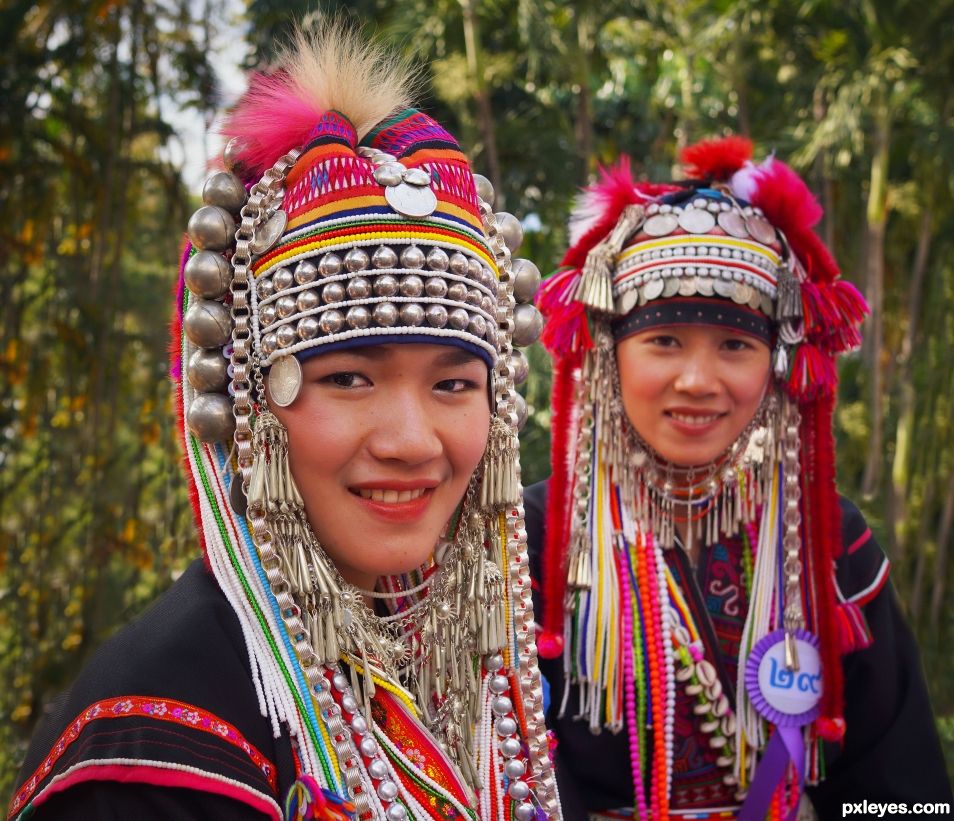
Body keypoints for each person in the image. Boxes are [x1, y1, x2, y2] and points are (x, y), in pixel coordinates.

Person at [8, 25, 561, 821]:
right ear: (249, 402)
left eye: (452, 383)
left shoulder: (475, 674)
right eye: (348, 377)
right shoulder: (155, 740)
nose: (410, 440)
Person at [527, 136, 952, 819]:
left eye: (735, 345)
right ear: (608, 353)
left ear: (777, 363)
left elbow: (903, 795)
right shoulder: (533, 540)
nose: (698, 381)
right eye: (664, 341)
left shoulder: (830, 543)